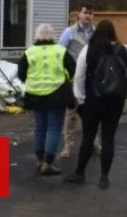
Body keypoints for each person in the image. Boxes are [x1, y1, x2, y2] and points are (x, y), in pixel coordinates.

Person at [65, 20, 127, 189]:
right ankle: (104, 177)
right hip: (115, 101)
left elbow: (79, 76)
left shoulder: (88, 49)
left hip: (93, 101)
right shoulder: (122, 49)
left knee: (88, 138)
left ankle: (79, 173)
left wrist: (80, 99)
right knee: (108, 138)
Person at [18, 23, 75, 175]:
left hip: (35, 95)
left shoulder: (29, 52)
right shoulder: (60, 51)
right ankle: (48, 163)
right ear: (52, 36)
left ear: (37, 35)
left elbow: (21, 74)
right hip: (57, 94)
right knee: (54, 128)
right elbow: (72, 68)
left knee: (39, 126)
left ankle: (39, 159)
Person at [57, 4, 101, 158]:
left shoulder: (96, 33)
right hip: (74, 78)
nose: (88, 16)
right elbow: (60, 53)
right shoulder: (69, 32)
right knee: (72, 114)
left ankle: (94, 143)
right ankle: (68, 147)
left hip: (92, 79)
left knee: (91, 113)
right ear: (79, 15)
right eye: (85, 13)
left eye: (91, 13)